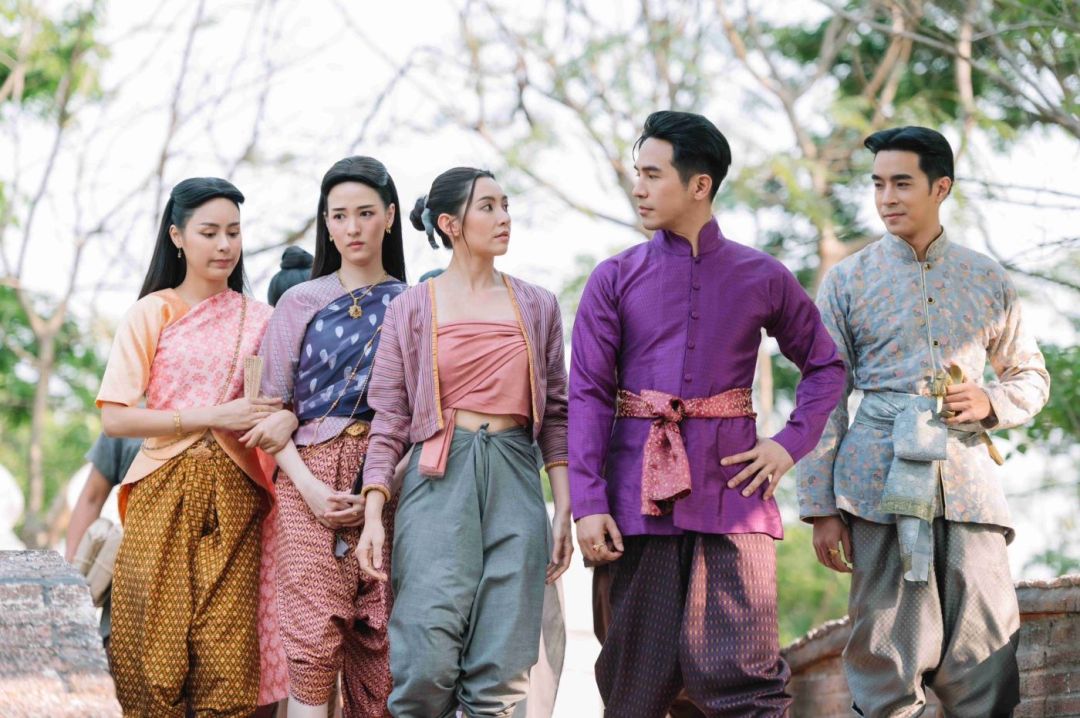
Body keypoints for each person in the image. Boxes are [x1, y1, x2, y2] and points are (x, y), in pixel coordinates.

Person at [569, 110, 846, 716]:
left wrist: (788, 444)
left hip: (734, 504)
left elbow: (826, 366)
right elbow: (587, 393)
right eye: (637, 174)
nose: (638, 188)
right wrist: (588, 504)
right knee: (634, 691)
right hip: (635, 510)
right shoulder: (614, 277)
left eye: (652, 175)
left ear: (700, 184)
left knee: (749, 689)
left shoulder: (763, 276)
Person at [798, 126, 1050, 718]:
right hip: (876, 491)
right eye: (878, 184)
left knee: (986, 660)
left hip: (970, 491)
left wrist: (989, 401)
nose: (886, 198)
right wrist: (820, 507)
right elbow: (824, 395)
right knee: (886, 661)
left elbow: (1031, 377)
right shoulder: (847, 281)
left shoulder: (987, 278)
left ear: (941, 188)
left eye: (901, 183)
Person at [355, 167, 573, 717]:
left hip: (516, 477)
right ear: (450, 224)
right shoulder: (410, 307)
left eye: (506, 205)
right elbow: (389, 417)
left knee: (502, 667)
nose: (504, 218)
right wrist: (374, 512)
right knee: (425, 660)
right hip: (437, 477)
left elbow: (557, 415)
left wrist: (564, 509)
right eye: (488, 207)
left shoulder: (538, 305)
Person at [96, 177, 287, 716]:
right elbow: (114, 417)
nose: (225, 245)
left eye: (234, 232)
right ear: (177, 236)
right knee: (148, 663)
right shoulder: (151, 312)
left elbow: (282, 405)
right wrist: (212, 416)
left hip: (238, 497)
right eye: (209, 232)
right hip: (160, 492)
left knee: (228, 666)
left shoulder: (262, 320)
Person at [248, 156, 407, 717]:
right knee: (312, 645)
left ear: (390, 217)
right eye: (339, 216)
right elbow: (269, 412)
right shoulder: (301, 302)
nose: (353, 227)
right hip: (307, 479)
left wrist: (384, 489)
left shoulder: (415, 304)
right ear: (326, 223)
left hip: (392, 480)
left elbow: (422, 415)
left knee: (385, 649)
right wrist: (310, 488)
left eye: (366, 213)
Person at [64, 433, 142, 650]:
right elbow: (92, 498)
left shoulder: (225, 420)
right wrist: (69, 580)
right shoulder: (126, 422)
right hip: (131, 585)